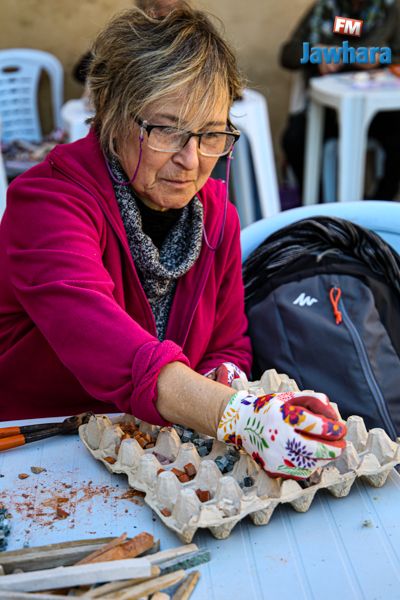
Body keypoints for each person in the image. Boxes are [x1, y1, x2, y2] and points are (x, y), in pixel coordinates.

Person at [0, 5, 346, 479]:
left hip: (150, 457)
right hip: (38, 452)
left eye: (211, 134)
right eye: (167, 130)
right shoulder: (47, 204)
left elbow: (228, 343)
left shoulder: (216, 218)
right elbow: (105, 342)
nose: (192, 160)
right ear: (113, 115)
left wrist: (224, 378)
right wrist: (238, 416)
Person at [280, 0, 400, 200]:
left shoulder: (388, 10)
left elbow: (394, 53)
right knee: (294, 139)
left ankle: (380, 202)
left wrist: (381, 59)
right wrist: (315, 52)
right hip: (328, 111)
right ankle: (320, 205)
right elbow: (288, 54)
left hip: (378, 113)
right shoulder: (326, 8)